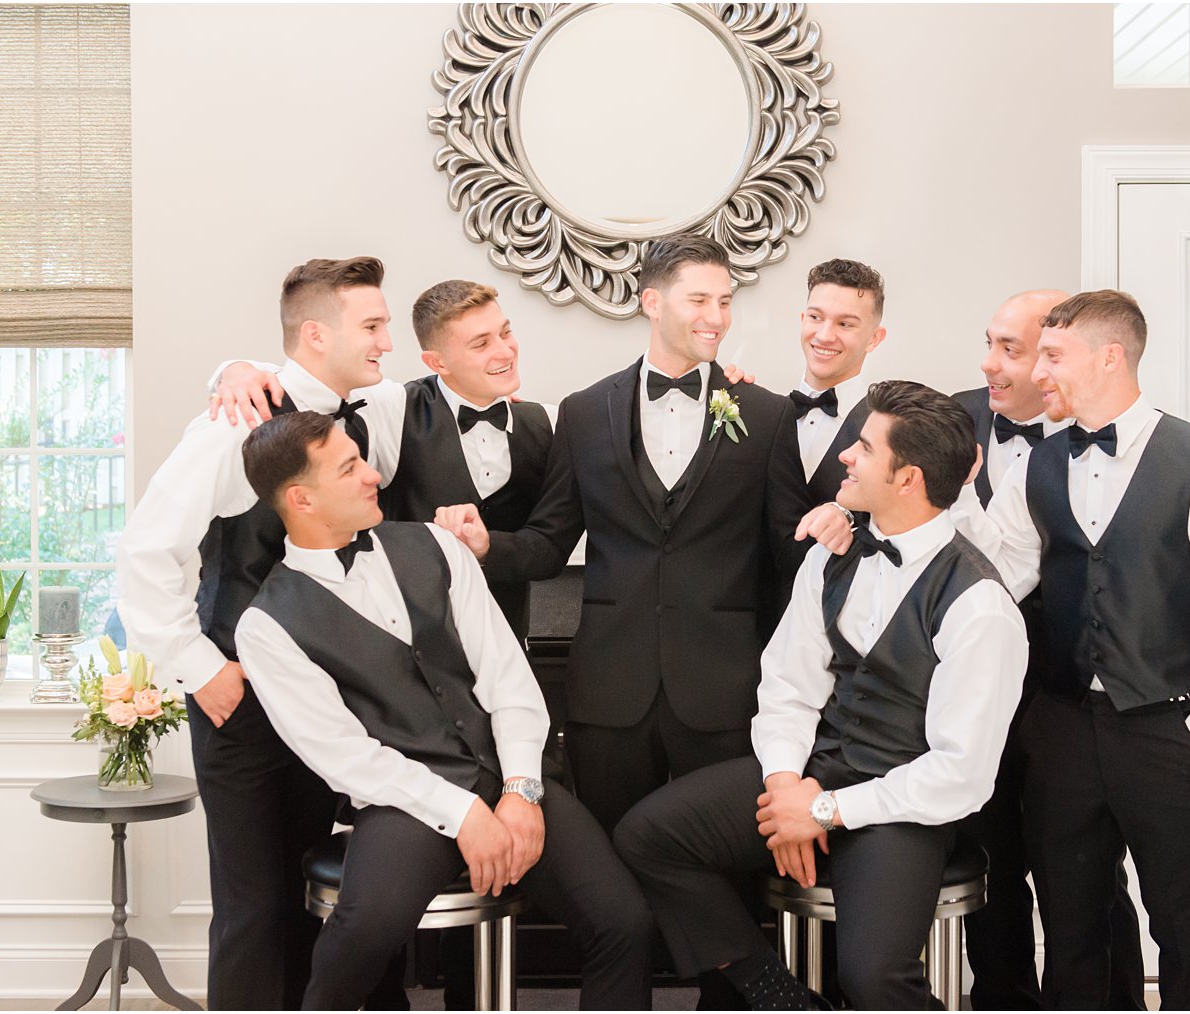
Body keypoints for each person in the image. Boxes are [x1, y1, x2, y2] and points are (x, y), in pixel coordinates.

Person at [613, 381, 1028, 1011]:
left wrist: (826, 811)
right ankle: (777, 994)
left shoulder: (981, 606)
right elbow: (787, 685)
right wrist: (785, 787)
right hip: (813, 773)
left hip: (900, 805)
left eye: (863, 447)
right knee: (649, 835)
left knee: (872, 978)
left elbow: (961, 775)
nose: (846, 457)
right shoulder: (832, 555)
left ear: (908, 478)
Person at [232, 412, 654, 1010]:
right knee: (364, 930)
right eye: (350, 468)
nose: (373, 474)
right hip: (404, 801)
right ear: (301, 498)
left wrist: (521, 790)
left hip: (506, 776)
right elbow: (345, 758)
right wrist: (462, 814)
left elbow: (507, 675)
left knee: (623, 921)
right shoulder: (266, 627)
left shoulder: (435, 545)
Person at [954, 290, 1190, 1010]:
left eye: (1054, 357)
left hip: (1168, 729)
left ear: (1110, 356)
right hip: (1063, 729)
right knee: (1070, 928)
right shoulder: (1036, 466)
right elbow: (991, 575)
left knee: (1187, 931)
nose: (1040, 374)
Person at [438, 233, 814, 835]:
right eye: (698, 300)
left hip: (726, 691)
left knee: (722, 871)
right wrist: (488, 547)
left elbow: (792, 553)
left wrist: (843, 523)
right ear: (652, 302)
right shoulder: (584, 411)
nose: (715, 317)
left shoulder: (768, 415)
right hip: (608, 692)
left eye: (724, 301)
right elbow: (549, 539)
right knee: (610, 867)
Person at [115, 257, 394, 1009]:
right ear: (314, 334)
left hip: (328, 706)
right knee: (255, 910)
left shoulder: (367, 411)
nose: (386, 342)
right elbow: (146, 550)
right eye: (371, 326)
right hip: (243, 705)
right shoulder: (234, 420)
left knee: (308, 903)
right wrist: (201, 669)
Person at [950, 290, 1146, 1010]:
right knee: (990, 874)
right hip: (974, 702)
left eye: (1014, 349)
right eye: (990, 343)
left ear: (1063, 354)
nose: (991, 364)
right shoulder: (947, 420)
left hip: (1073, 700)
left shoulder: (1124, 442)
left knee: (1090, 881)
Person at [210, 279, 557, 640]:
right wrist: (236, 369)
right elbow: (310, 378)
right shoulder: (392, 407)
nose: (505, 352)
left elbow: (547, 545)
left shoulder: (549, 422)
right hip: (402, 646)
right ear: (436, 361)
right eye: (481, 344)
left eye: (506, 333)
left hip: (507, 643)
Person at [791, 258, 887, 504]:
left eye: (845, 324)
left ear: (874, 339)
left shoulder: (888, 430)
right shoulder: (762, 412)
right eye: (815, 317)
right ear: (803, 319)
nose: (824, 336)